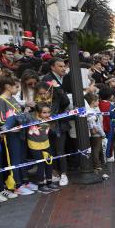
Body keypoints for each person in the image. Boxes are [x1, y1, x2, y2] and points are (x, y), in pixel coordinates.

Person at [0, 76, 33, 195]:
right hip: (12, 134)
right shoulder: (0, 100)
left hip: (20, 131)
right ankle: (17, 184)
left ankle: (24, 181)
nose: (18, 89)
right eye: (16, 87)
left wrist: (24, 113)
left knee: (22, 156)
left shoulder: (12, 98)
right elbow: (1, 119)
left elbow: (18, 113)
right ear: (7, 87)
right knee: (15, 158)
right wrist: (10, 129)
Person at [41, 58, 71, 186]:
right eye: (60, 66)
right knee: (52, 149)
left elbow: (65, 101)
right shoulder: (48, 80)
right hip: (49, 121)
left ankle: (63, 174)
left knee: (59, 149)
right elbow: (64, 101)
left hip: (59, 120)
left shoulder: (62, 78)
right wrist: (58, 88)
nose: (63, 68)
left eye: (64, 66)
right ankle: (55, 173)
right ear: (53, 67)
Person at [26, 103, 59, 194]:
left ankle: (49, 182)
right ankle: (41, 185)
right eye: (44, 112)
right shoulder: (32, 119)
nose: (47, 114)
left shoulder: (49, 119)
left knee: (49, 162)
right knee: (41, 165)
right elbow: (25, 117)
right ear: (38, 112)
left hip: (46, 143)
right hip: (34, 144)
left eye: (48, 112)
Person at [85, 91, 108, 178]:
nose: (99, 102)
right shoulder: (91, 112)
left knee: (99, 149)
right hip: (97, 134)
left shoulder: (95, 109)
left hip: (98, 133)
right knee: (96, 149)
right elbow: (96, 125)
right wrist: (103, 134)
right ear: (93, 102)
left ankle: (100, 163)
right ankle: (97, 165)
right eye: (97, 101)